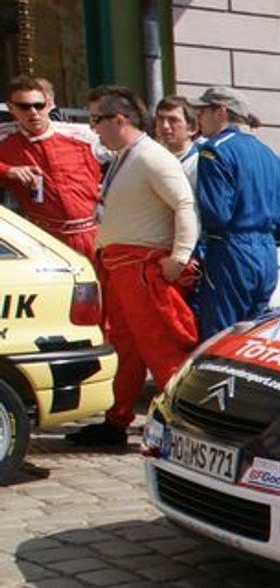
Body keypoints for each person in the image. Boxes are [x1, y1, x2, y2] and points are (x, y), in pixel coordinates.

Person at [68, 86, 198, 450]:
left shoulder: (150, 157)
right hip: (123, 267)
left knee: (163, 350)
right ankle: (116, 419)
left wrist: (180, 256)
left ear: (119, 120)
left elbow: (185, 204)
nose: (93, 128)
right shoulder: (129, 156)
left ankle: (184, 430)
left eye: (97, 119)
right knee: (126, 349)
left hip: (140, 268)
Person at [193, 86, 280, 336]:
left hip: (230, 249)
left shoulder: (215, 149)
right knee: (253, 336)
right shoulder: (271, 155)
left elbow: (216, 213)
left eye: (203, 110)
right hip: (266, 250)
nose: (198, 117)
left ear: (222, 111)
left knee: (220, 337)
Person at [0, 73, 103, 262]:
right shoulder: (5, 137)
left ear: (49, 105)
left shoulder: (83, 135)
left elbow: (130, 153)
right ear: (11, 108)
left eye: (39, 105)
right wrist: (8, 170)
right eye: (24, 106)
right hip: (45, 239)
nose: (33, 112)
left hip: (95, 233)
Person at [152, 96, 200, 184]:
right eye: (160, 118)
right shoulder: (150, 157)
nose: (165, 126)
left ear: (192, 129)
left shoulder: (198, 163)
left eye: (173, 120)